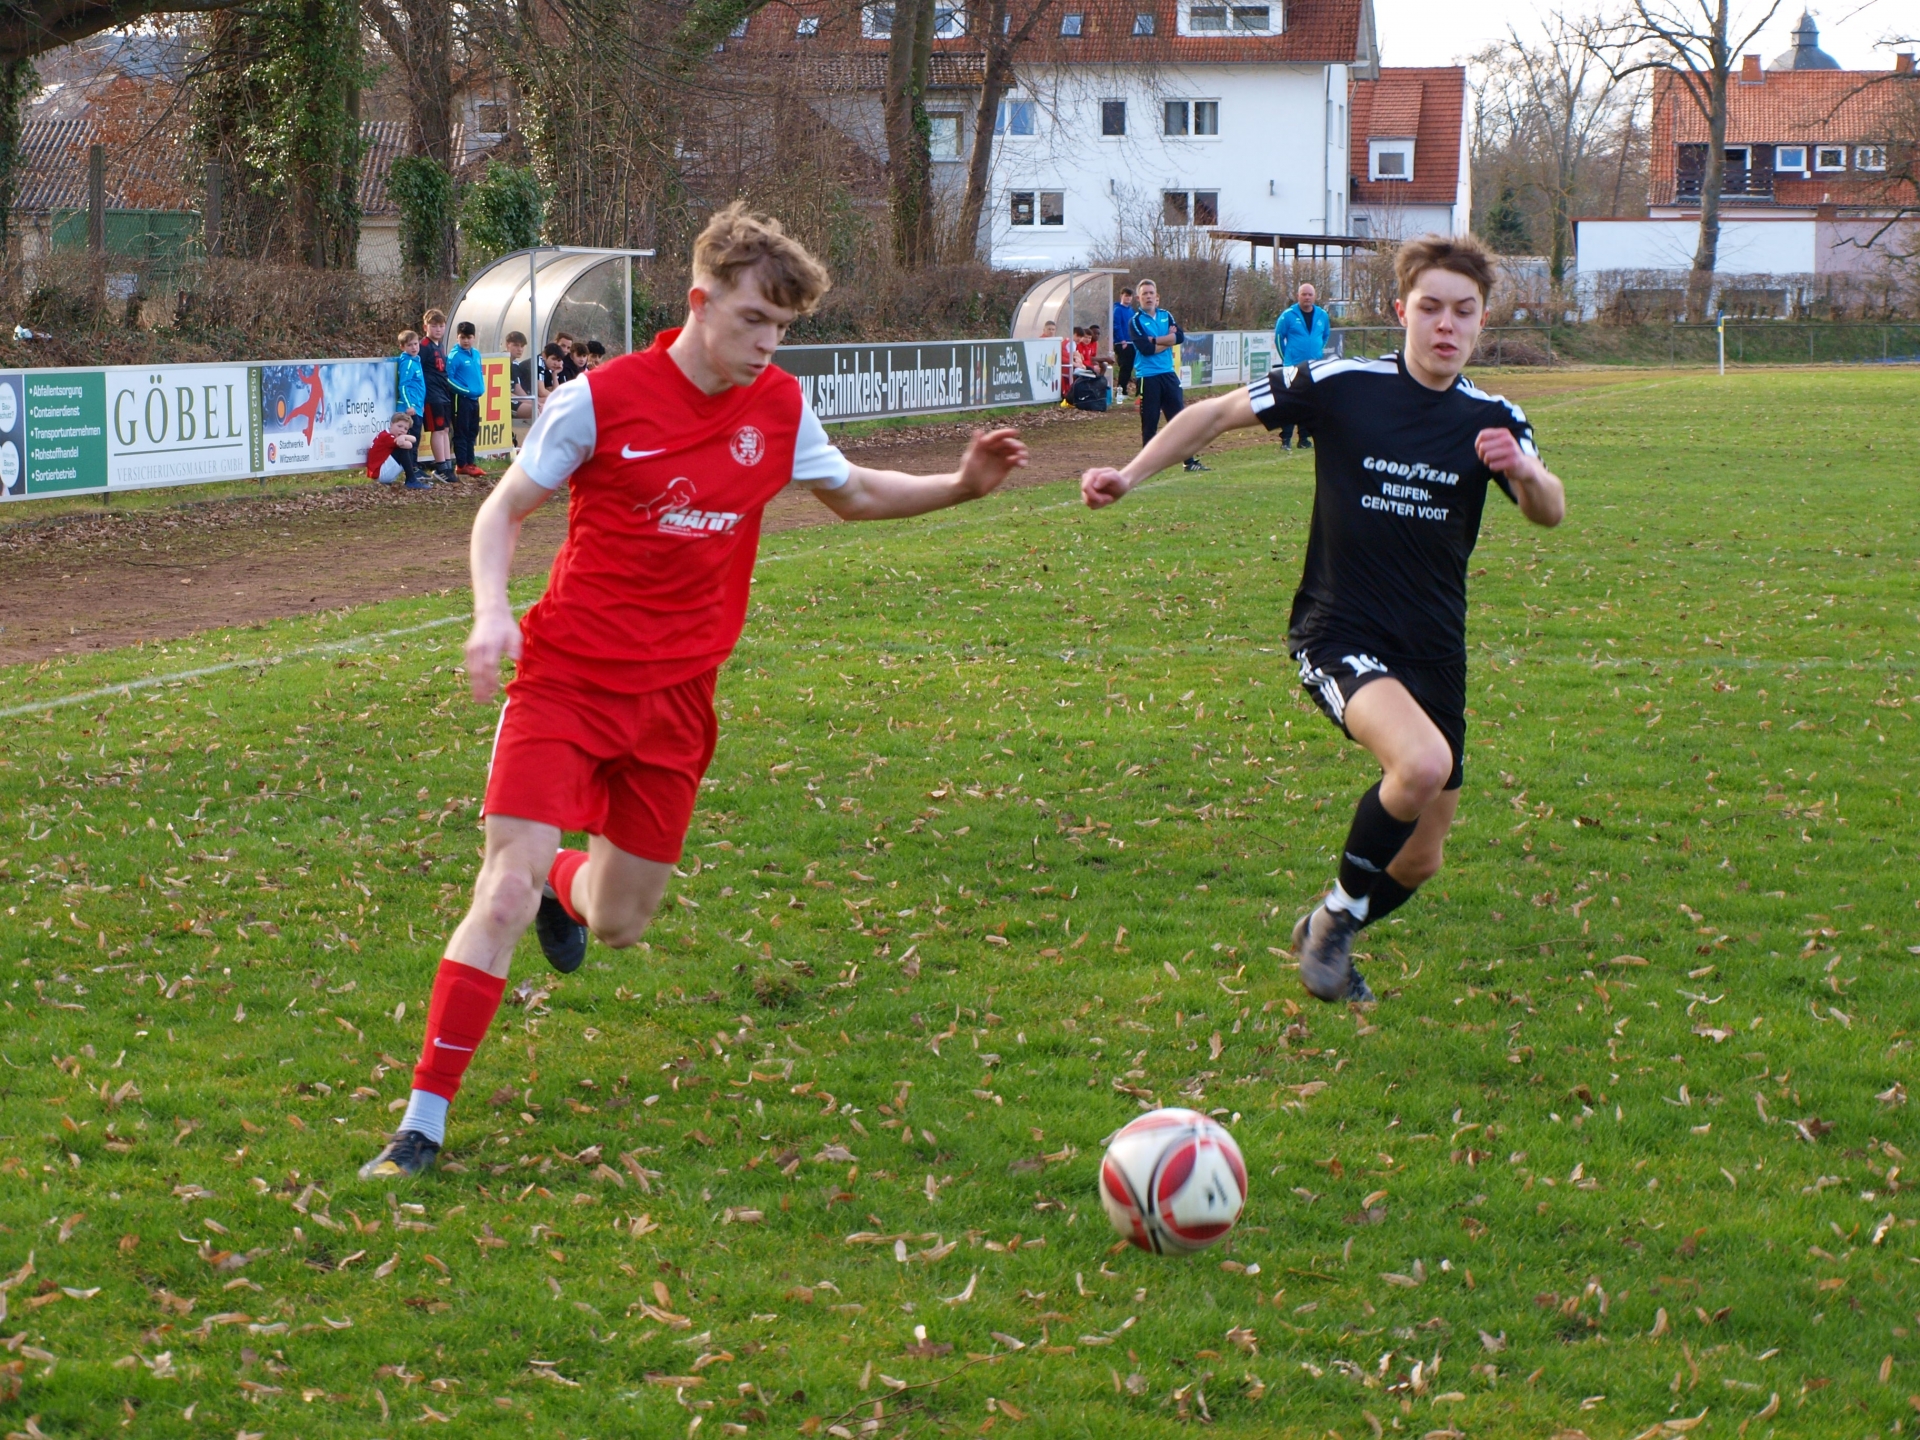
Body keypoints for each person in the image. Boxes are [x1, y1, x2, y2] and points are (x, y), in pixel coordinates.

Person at [357, 202, 1030, 1182]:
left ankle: (562, 885)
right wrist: (491, 611)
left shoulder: (779, 408)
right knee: (499, 890)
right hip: (566, 680)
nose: (768, 344)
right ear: (700, 303)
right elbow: (502, 512)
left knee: (619, 922)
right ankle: (422, 1123)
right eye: (754, 320)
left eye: (782, 328)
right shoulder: (599, 401)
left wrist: (960, 485)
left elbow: (853, 493)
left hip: (677, 703)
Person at [1080, 233, 1566, 1004]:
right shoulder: (1342, 384)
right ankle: (1337, 921)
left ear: (1482, 320)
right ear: (1400, 310)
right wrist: (1130, 474)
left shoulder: (1494, 419)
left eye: (1463, 311)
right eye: (1431, 307)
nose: (1446, 324)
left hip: (1436, 651)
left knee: (1423, 857)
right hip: (1342, 632)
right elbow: (1215, 413)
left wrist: (1525, 470)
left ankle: (1325, 924)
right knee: (1421, 765)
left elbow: (1549, 510)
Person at [1128, 279, 1206, 473]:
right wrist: (1168, 340)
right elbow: (1145, 349)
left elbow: (1179, 337)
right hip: (1148, 377)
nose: (1148, 297)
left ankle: (1189, 462)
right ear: (1138, 298)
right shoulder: (1135, 321)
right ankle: (1147, 465)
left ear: (1157, 297)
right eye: (1144, 294)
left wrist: (1155, 340)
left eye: (1151, 293)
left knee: (1179, 420)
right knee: (1150, 422)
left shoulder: (1166, 315)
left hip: (1168, 374)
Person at [1273, 282, 1331, 452]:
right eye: (1304, 294)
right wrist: (1287, 359)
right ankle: (1286, 439)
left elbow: (1325, 335)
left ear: (1315, 296)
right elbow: (1278, 337)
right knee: (1290, 403)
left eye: (1310, 294)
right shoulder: (1288, 315)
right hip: (1293, 366)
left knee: (1309, 403)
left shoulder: (1322, 315)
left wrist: (1317, 352)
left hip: (1314, 367)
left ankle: (1304, 439)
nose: (1307, 297)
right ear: (1298, 296)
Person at [419, 309, 456, 483]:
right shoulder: (423, 347)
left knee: (445, 429)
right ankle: (441, 467)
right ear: (426, 327)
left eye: (441, 326)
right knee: (438, 429)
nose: (438, 329)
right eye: (434, 326)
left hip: (443, 392)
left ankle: (448, 465)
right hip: (432, 394)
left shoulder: (440, 345)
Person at [448, 321, 486, 478]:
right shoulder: (454, 356)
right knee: (461, 432)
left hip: (474, 399)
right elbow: (448, 379)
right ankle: (462, 464)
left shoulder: (476, 354)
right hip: (461, 399)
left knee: (472, 431)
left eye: (469, 337)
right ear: (457, 337)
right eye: (462, 337)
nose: (466, 341)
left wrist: (479, 389)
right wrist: (465, 391)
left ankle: (470, 463)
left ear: (474, 338)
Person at [366, 410, 428, 489]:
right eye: (399, 426)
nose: (402, 430)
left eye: (405, 429)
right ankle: (411, 480)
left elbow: (414, 439)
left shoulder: (390, 434)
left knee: (404, 445)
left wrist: (403, 436)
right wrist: (404, 438)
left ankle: (411, 478)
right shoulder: (386, 436)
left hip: (383, 472)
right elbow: (409, 445)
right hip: (380, 474)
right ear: (391, 424)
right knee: (403, 448)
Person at [396, 330, 426, 455]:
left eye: (415, 344)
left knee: (415, 440)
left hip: (417, 407)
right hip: (409, 409)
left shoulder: (416, 361)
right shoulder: (407, 363)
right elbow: (403, 386)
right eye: (409, 345)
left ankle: (414, 464)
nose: (414, 347)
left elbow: (419, 386)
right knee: (409, 441)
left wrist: (421, 404)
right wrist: (409, 405)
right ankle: (410, 465)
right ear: (402, 347)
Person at [1112, 287, 1138, 397]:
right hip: (1122, 343)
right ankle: (1120, 392)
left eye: (1130, 296)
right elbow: (1116, 326)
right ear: (1121, 296)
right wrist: (1122, 340)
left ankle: (1124, 391)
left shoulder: (1131, 310)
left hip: (1131, 343)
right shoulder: (1117, 310)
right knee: (1124, 368)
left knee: (1129, 368)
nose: (1128, 298)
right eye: (1126, 296)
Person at [505, 331, 536, 421]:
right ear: (507, 345)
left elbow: (517, 388)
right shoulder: (501, 362)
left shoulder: (514, 364)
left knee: (540, 407)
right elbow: (503, 392)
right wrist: (531, 404)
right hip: (502, 400)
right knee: (534, 411)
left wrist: (532, 402)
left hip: (513, 397)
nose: (520, 349)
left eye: (522, 346)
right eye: (516, 345)